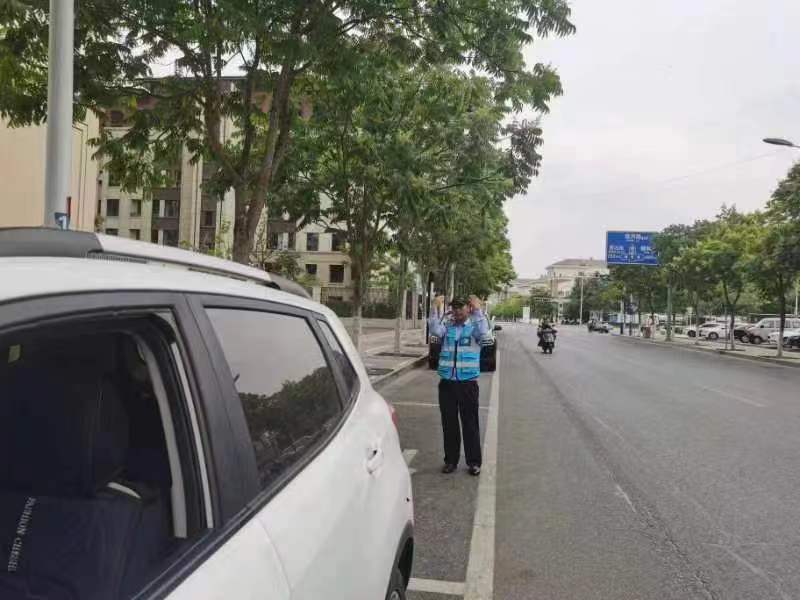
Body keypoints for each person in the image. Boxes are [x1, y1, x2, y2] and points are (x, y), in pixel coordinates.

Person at [428, 294, 489, 476]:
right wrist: (434, 308)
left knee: (470, 424)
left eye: (461, 307)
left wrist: (478, 309)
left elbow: (484, 332)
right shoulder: (447, 327)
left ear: (468, 308)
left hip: (467, 384)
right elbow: (434, 330)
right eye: (454, 307)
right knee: (449, 424)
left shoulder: (475, 327)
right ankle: (451, 461)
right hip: (447, 384)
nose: (457, 310)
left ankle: (474, 462)